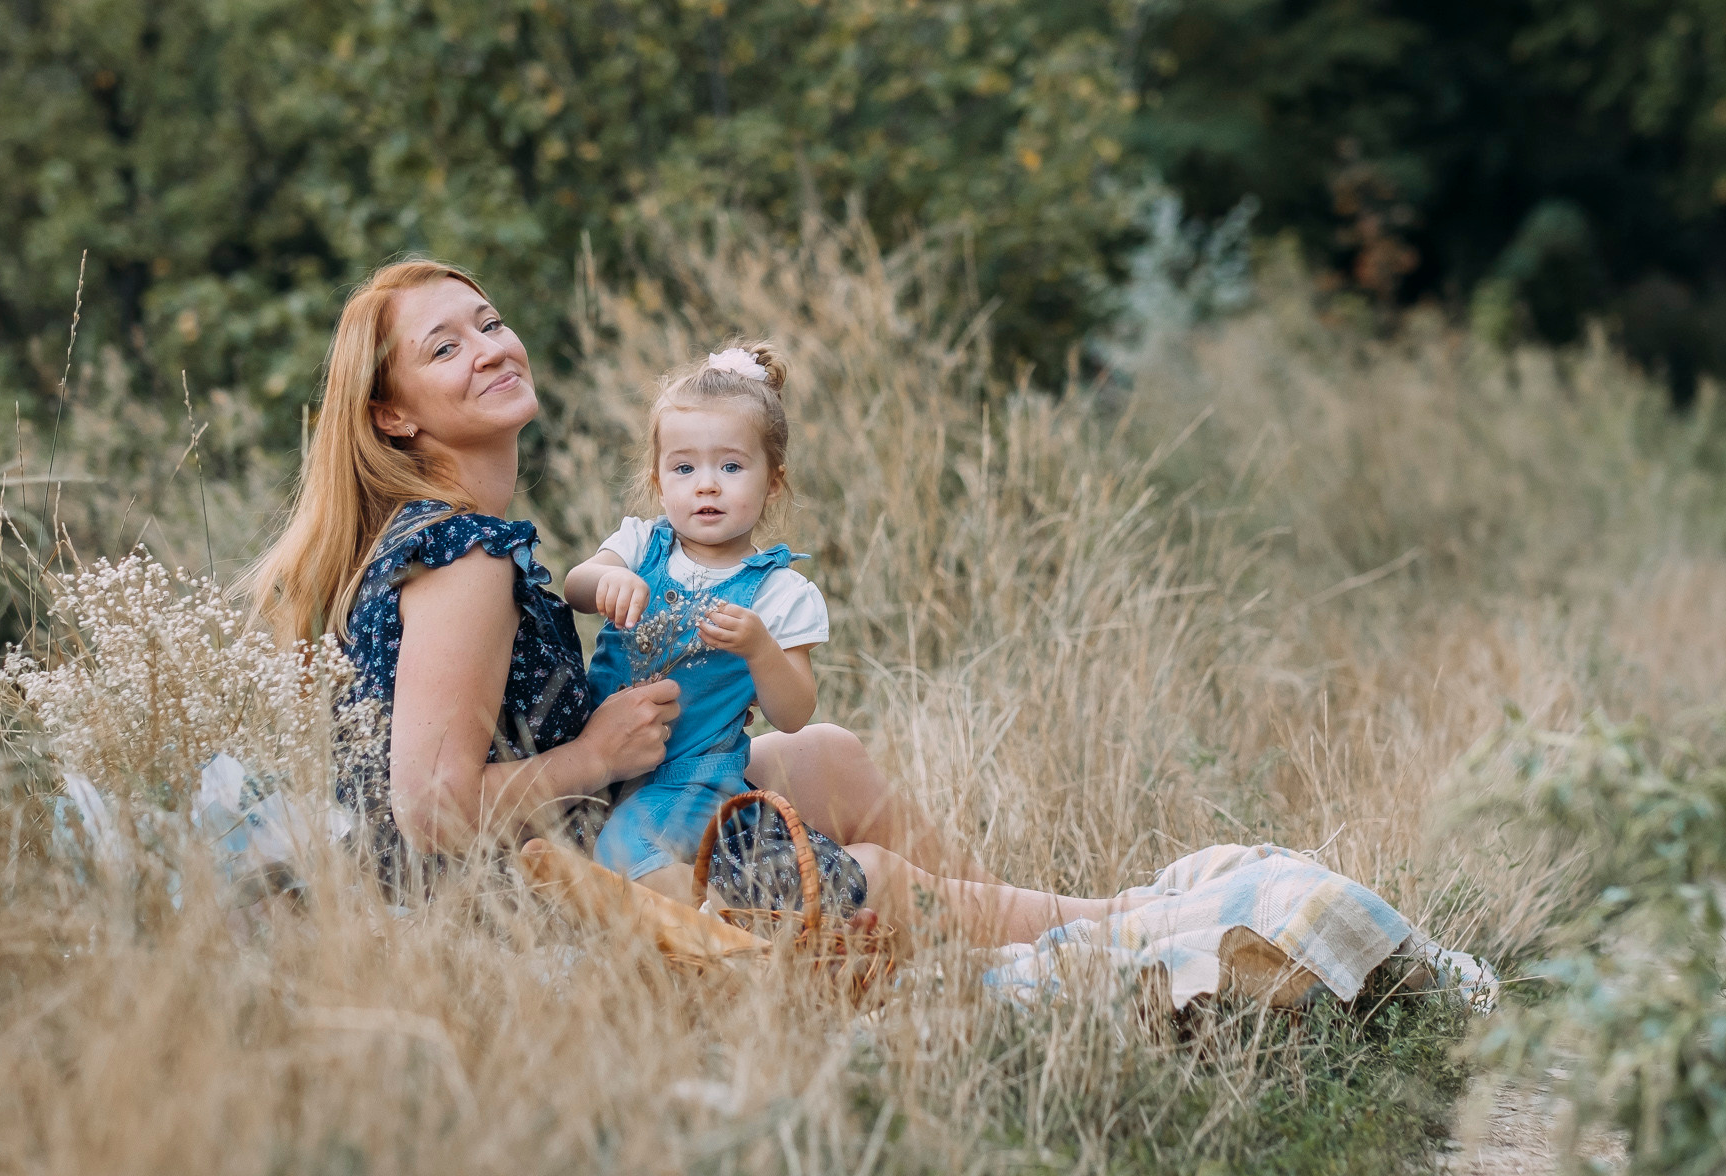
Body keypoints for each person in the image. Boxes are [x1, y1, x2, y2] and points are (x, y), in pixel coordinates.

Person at [245, 259, 1094, 942]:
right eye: (445, 348)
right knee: (876, 871)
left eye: (491, 323)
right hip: (525, 891)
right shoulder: (462, 556)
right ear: (392, 416)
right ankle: (1095, 931)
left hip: (567, 828)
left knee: (824, 752)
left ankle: (1018, 929)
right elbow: (430, 812)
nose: (492, 347)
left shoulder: (439, 535)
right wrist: (593, 758)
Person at [564, 340, 830, 904]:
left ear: (773, 482)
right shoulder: (639, 544)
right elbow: (575, 587)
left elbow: (794, 714)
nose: (706, 484)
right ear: (660, 482)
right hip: (599, 750)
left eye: (731, 466)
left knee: (623, 851)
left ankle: (715, 940)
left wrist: (761, 650)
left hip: (690, 776)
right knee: (569, 846)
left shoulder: (781, 594)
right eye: (684, 468)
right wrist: (606, 579)